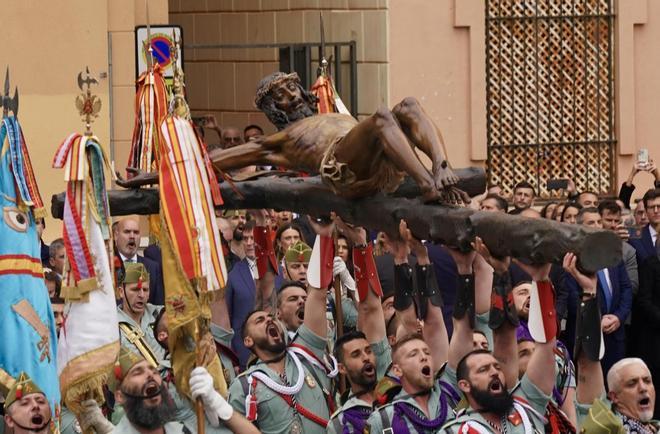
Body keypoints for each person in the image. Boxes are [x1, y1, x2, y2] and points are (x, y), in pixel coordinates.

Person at [207, 72, 467, 204]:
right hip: (343, 172)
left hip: (379, 159)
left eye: (292, 87)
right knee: (381, 117)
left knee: (408, 105)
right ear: (271, 108)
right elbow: (217, 159)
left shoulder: (329, 114)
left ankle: (441, 166)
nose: (293, 95)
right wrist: (179, 166)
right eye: (280, 95)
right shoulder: (278, 142)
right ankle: (428, 185)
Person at [227, 220, 339, 434]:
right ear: (247, 341)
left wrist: (324, 238)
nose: (269, 320)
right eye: (259, 321)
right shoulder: (245, 386)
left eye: (270, 319)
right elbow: (266, 287)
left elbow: (317, 294)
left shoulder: (307, 353)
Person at [440, 258, 558, 433]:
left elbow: (546, 345)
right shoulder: (454, 430)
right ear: (464, 385)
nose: (495, 372)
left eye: (496, 366)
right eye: (483, 370)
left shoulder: (527, 407)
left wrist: (541, 280)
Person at [567, 255, 660, 431]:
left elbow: (626, 289)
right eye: (631, 383)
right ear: (613, 396)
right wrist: (589, 292)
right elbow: (587, 365)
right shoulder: (605, 427)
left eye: (647, 381)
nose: (643, 388)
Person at [80, 348, 258, 434]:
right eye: (138, 372)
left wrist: (219, 405)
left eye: (154, 371)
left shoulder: (181, 431)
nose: (150, 375)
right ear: (119, 395)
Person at [565, 207, 632, 377]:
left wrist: (618, 317)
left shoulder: (611, 254)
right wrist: (596, 321)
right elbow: (572, 298)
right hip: (587, 337)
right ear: (580, 227)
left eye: (598, 222)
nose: (596, 226)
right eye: (590, 222)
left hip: (615, 336)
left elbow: (626, 289)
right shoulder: (571, 259)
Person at [117, 262, 166, 367]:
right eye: (135, 289)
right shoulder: (112, 326)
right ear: (121, 292)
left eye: (145, 289)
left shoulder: (160, 314)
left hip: (168, 380)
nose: (141, 295)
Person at [225, 220, 258, 368]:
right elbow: (228, 318)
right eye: (245, 238)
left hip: (275, 351)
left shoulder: (278, 273)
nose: (249, 243)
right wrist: (233, 357)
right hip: (244, 353)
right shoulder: (233, 275)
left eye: (253, 238)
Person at [113, 217, 164, 305]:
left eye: (136, 232)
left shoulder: (153, 267)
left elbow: (159, 306)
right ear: (116, 236)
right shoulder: (107, 267)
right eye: (127, 232)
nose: (132, 236)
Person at [629, 188, 660, 264]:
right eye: (652, 207)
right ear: (646, 211)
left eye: (659, 206)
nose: (656, 211)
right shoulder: (634, 238)